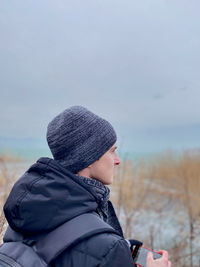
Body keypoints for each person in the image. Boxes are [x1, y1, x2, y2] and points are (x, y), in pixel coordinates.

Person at [3, 105, 171, 267]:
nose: (117, 160)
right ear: (89, 158)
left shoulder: (22, 219)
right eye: (112, 151)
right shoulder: (108, 248)